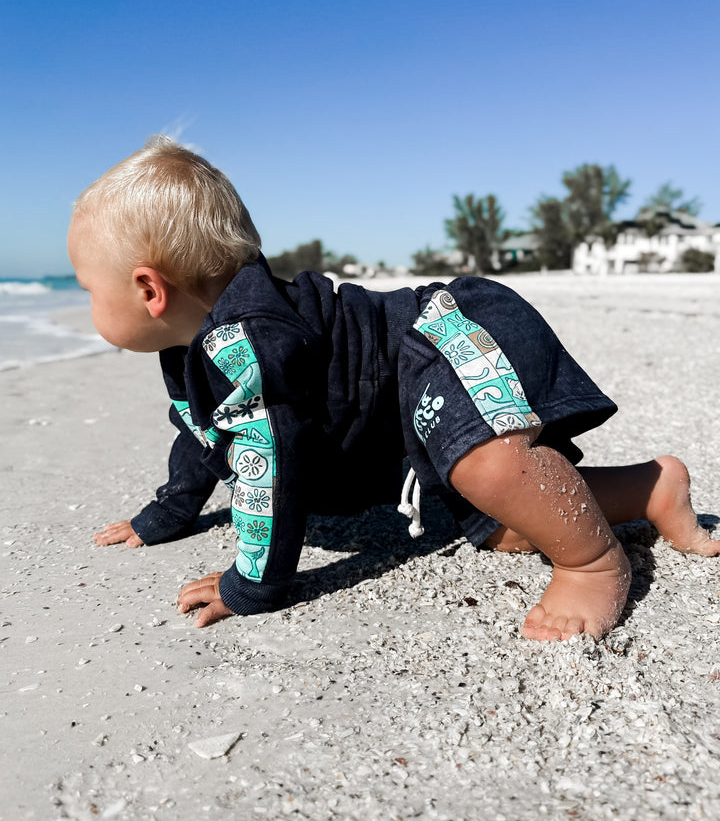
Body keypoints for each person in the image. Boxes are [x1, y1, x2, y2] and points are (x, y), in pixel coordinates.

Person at [68, 136, 720, 642]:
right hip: (406, 392)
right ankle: (650, 487)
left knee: (490, 466)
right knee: (505, 526)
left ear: (150, 290)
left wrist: (251, 586)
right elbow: (204, 436)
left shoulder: (246, 340)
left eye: (88, 289)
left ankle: (593, 565)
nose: (86, 302)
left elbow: (273, 461)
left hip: (442, 336)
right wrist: (164, 517)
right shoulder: (189, 351)